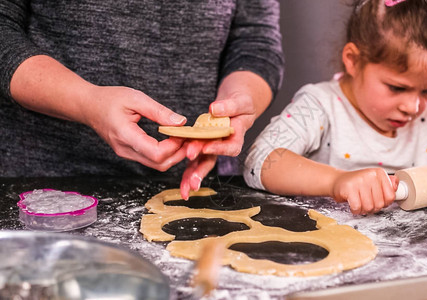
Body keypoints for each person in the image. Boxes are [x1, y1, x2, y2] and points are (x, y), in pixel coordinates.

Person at [244, 0, 427, 215]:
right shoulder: (320, 106)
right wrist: (337, 182)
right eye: (397, 87)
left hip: (413, 254)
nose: (413, 106)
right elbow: (259, 161)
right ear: (353, 60)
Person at [0, 0, 283, 198]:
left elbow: (255, 39)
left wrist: (239, 101)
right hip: (44, 183)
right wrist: (88, 102)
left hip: (197, 183)